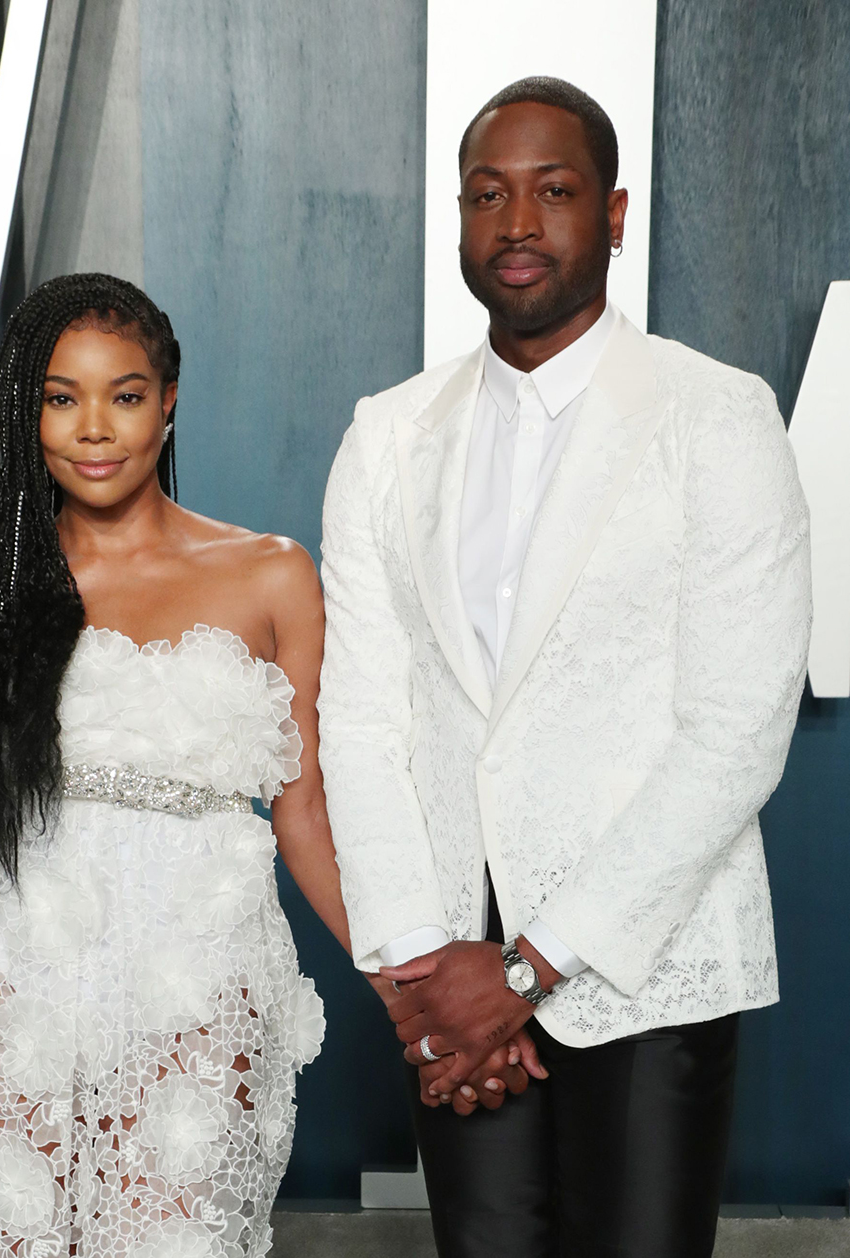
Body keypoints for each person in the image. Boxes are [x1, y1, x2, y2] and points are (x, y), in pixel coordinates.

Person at [318, 77, 811, 1257]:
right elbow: (362, 721)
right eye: (488, 194)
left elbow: (734, 732)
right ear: (458, 219)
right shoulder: (388, 432)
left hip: (646, 962)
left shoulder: (717, 416)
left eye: (554, 191)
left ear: (616, 213)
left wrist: (528, 970)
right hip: (445, 974)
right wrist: (420, 979)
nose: (519, 223)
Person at [0, 273, 346, 1257]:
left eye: (126, 394)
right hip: (14, 978)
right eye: (61, 398)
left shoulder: (271, 574)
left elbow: (304, 809)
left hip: (203, 970)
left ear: (169, 401)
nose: (95, 428)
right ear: (28, 416)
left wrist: (412, 976)